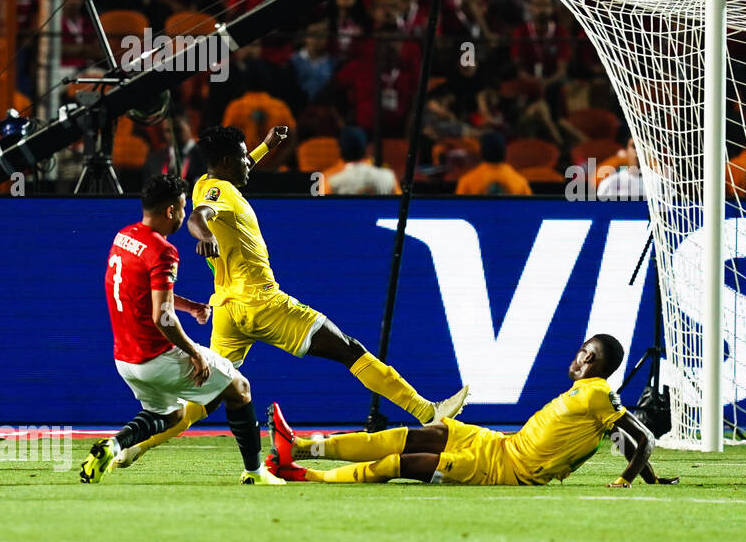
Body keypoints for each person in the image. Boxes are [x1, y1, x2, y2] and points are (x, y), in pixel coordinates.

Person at [175, 125, 467, 433]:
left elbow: (217, 191)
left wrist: (266, 146)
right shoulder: (220, 193)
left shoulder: (204, 183)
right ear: (225, 162)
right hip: (261, 303)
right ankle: (425, 411)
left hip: (226, 309)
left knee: (209, 394)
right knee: (348, 349)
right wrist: (205, 234)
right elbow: (198, 217)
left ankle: (136, 440)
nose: (249, 162)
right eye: (243, 157)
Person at [266, 335, 679, 488]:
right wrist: (651, 477)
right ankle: (299, 448)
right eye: (582, 351)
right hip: (497, 444)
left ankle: (303, 473)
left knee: (394, 464)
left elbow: (641, 437)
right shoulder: (585, 392)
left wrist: (631, 479)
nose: (580, 359)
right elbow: (628, 439)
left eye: (589, 357)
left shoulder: (599, 395)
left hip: (506, 471)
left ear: (602, 368)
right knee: (402, 436)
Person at [81, 175, 283, 485]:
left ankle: (112, 445)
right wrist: (193, 354)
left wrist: (190, 307)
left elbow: (142, 292)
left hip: (125, 361)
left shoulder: (123, 237)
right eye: (184, 206)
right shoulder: (163, 251)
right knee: (239, 390)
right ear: (172, 210)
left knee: (170, 415)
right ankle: (255, 473)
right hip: (157, 356)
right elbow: (163, 318)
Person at [326, 126, 400, 195]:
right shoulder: (389, 177)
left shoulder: (332, 181)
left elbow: (322, 207)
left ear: (340, 149)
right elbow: (403, 205)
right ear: (366, 148)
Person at [455, 132, 533, 195]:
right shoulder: (521, 183)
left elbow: (459, 211)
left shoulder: (466, 182)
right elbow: (530, 211)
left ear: (481, 152)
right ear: (505, 152)